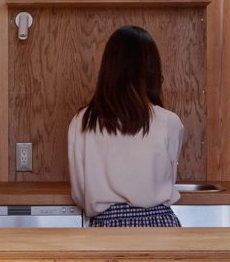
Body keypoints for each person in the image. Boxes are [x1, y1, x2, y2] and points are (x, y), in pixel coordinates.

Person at [66, 25, 185, 228]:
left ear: (108, 68)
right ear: (152, 70)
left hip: (106, 227)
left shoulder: (82, 121)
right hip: (161, 228)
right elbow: (167, 179)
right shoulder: (169, 122)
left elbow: (79, 192)